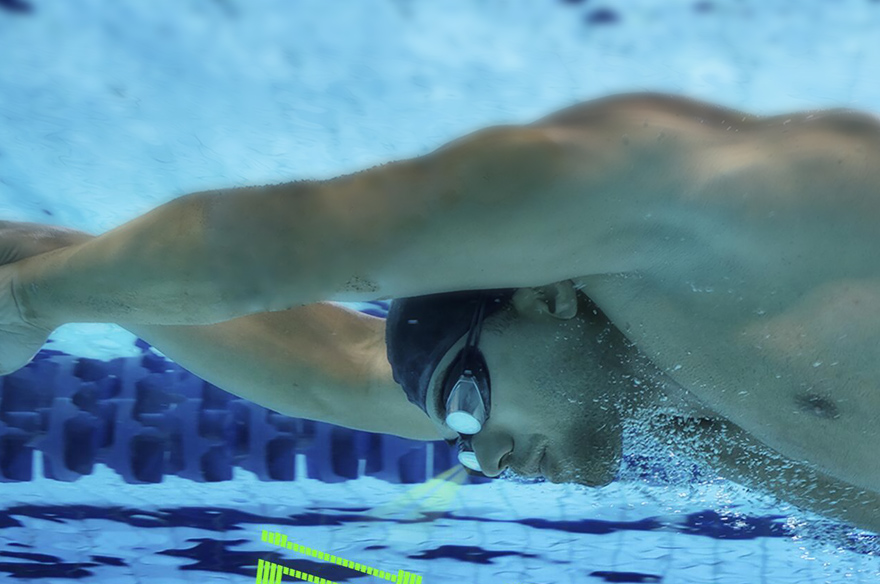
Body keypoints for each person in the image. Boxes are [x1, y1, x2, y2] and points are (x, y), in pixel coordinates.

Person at [0, 91, 878, 531]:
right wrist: (51, 257)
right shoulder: (649, 396)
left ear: (543, 294)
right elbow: (334, 372)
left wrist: (26, 298)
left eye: (464, 406)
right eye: (459, 433)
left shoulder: (694, 220)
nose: (483, 460)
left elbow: (287, 242)